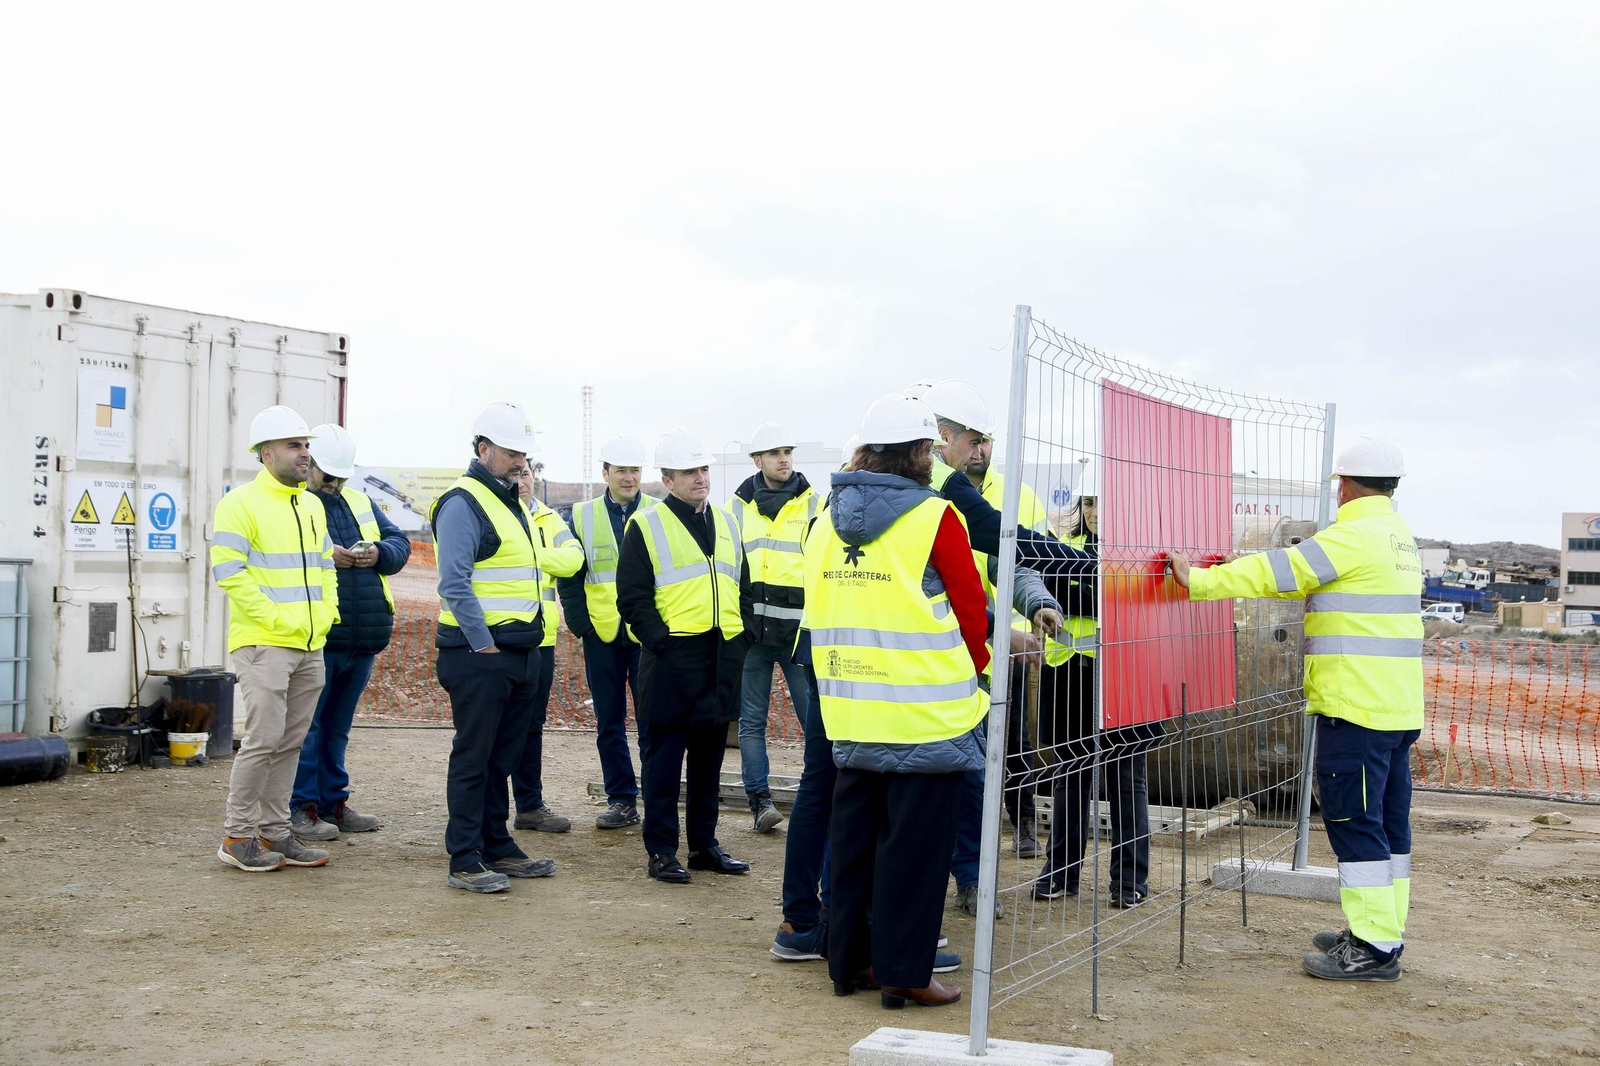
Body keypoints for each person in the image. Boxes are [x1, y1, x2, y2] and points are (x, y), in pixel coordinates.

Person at [1170, 435, 1423, 982]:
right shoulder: (1397, 536)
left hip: (1355, 707)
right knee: (1387, 825)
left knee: (1354, 822)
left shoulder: (1353, 536)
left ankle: (1374, 949)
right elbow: (1309, 580)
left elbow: (1282, 571)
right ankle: (1384, 930)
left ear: (1346, 485)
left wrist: (1202, 580)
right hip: (1395, 707)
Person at [806, 392, 991, 1010]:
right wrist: (975, 671)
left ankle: (849, 963)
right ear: (919, 453)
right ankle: (905, 973)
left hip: (851, 708)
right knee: (915, 852)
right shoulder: (935, 518)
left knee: (853, 845)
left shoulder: (823, 522)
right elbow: (970, 610)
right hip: (925, 712)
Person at [617, 427, 752, 884]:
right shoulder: (646, 525)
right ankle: (661, 850)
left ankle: (704, 846)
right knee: (663, 763)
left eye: (703, 469)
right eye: (689, 471)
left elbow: (743, 586)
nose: (700, 478)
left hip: (721, 656)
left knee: (709, 763)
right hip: (672, 660)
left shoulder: (728, 522)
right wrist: (664, 643)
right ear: (667, 479)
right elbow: (632, 598)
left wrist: (742, 637)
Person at [431, 402, 556, 894]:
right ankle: (464, 858)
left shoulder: (510, 502)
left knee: (500, 759)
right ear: (483, 449)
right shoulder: (463, 503)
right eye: (510, 453)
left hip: (519, 651)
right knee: (474, 758)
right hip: (479, 654)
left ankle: (496, 844)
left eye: (524, 454)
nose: (520, 463)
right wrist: (483, 646)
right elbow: (454, 582)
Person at [210, 406, 339, 873]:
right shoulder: (239, 503)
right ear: (266, 453)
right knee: (263, 740)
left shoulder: (311, 506)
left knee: (290, 743)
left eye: (306, 445)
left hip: (310, 643)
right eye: (294, 445)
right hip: (263, 643)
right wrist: (277, 619)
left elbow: (325, 567)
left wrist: (327, 615)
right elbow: (229, 572)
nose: (305, 454)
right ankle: (237, 836)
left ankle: (275, 832)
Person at [1031, 470, 1160, 908]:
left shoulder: (1143, 553)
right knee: (1070, 774)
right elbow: (1058, 592)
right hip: (1070, 673)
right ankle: (1060, 873)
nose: (1095, 511)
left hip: (1127, 675)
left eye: (1104, 502)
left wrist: (1084, 589)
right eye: (1088, 502)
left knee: (1126, 778)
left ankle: (1129, 882)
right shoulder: (1065, 549)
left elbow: (1124, 598)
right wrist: (1098, 590)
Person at [288, 424, 412, 841]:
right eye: (329, 476)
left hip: (362, 639)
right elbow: (281, 556)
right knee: (308, 729)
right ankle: (301, 807)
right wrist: (327, 556)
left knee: (336, 728)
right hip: (319, 636)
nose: (335, 484)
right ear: (310, 464)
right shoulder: (295, 503)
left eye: (341, 476)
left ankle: (332, 803)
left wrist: (378, 553)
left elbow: (399, 542)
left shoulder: (359, 501)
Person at [558, 435, 656, 830]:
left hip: (647, 637)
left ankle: (657, 799)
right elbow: (570, 575)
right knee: (609, 723)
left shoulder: (658, 511)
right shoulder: (582, 516)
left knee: (653, 722)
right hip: (601, 635)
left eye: (635, 470)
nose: (629, 477)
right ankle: (622, 801)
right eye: (621, 470)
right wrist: (581, 625)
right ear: (605, 473)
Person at [728, 420, 816, 833]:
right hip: (753, 637)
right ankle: (759, 801)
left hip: (798, 635)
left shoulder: (814, 505)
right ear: (757, 460)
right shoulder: (735, 509)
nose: (784, 459)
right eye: (775, 453)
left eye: (788, 452)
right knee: (751, 721)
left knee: (814, 721)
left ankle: (817, 794)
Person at [509, 467, 586, 833]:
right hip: (496, 638)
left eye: (526, 474)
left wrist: (528, 555)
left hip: (540, 639)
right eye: (515, 474)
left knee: (531, 726)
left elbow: (573, 560)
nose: (521, 481)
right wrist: (543, 556)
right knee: (492, 728)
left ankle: (529, 806)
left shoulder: (549, 518)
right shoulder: (488, 512)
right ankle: (483, 811)